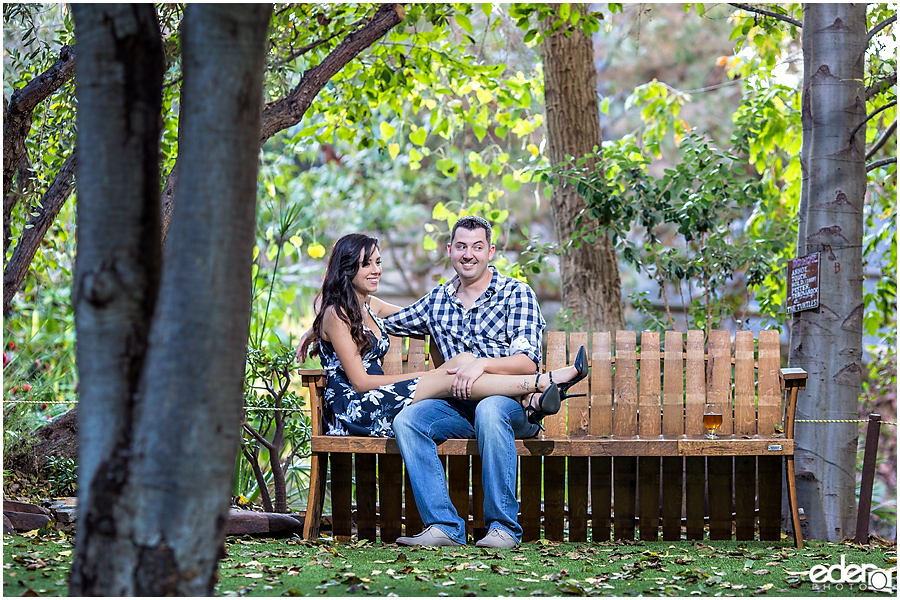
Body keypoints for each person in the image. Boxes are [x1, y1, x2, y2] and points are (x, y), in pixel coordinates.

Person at [297, 218, 587, 549]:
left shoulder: (516, 294)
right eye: (461, 246)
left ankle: (503, 528)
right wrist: (318, 323)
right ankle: (444, 525)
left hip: (507, 407)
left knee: (490, 409)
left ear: (490, 251)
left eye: (478, 247)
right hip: (456, 403)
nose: (469, 255)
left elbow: (525, 360)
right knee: (409, 420)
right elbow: (364, 314)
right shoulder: (437, 302)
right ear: (450, 250)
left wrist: (479, 365)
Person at [303, 232, 586, 440]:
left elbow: (412, 315)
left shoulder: (366, 305)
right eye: (367, 265)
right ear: (348, 267)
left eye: (377, 262)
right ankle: (543, 384)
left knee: (464, 360)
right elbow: (362, 382)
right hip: (358, 408)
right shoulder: (337, 314)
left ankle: (532, 399)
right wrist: (427, 376)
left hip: (383, 397)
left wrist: (314, 328)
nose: (376, 270)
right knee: (454, 373)